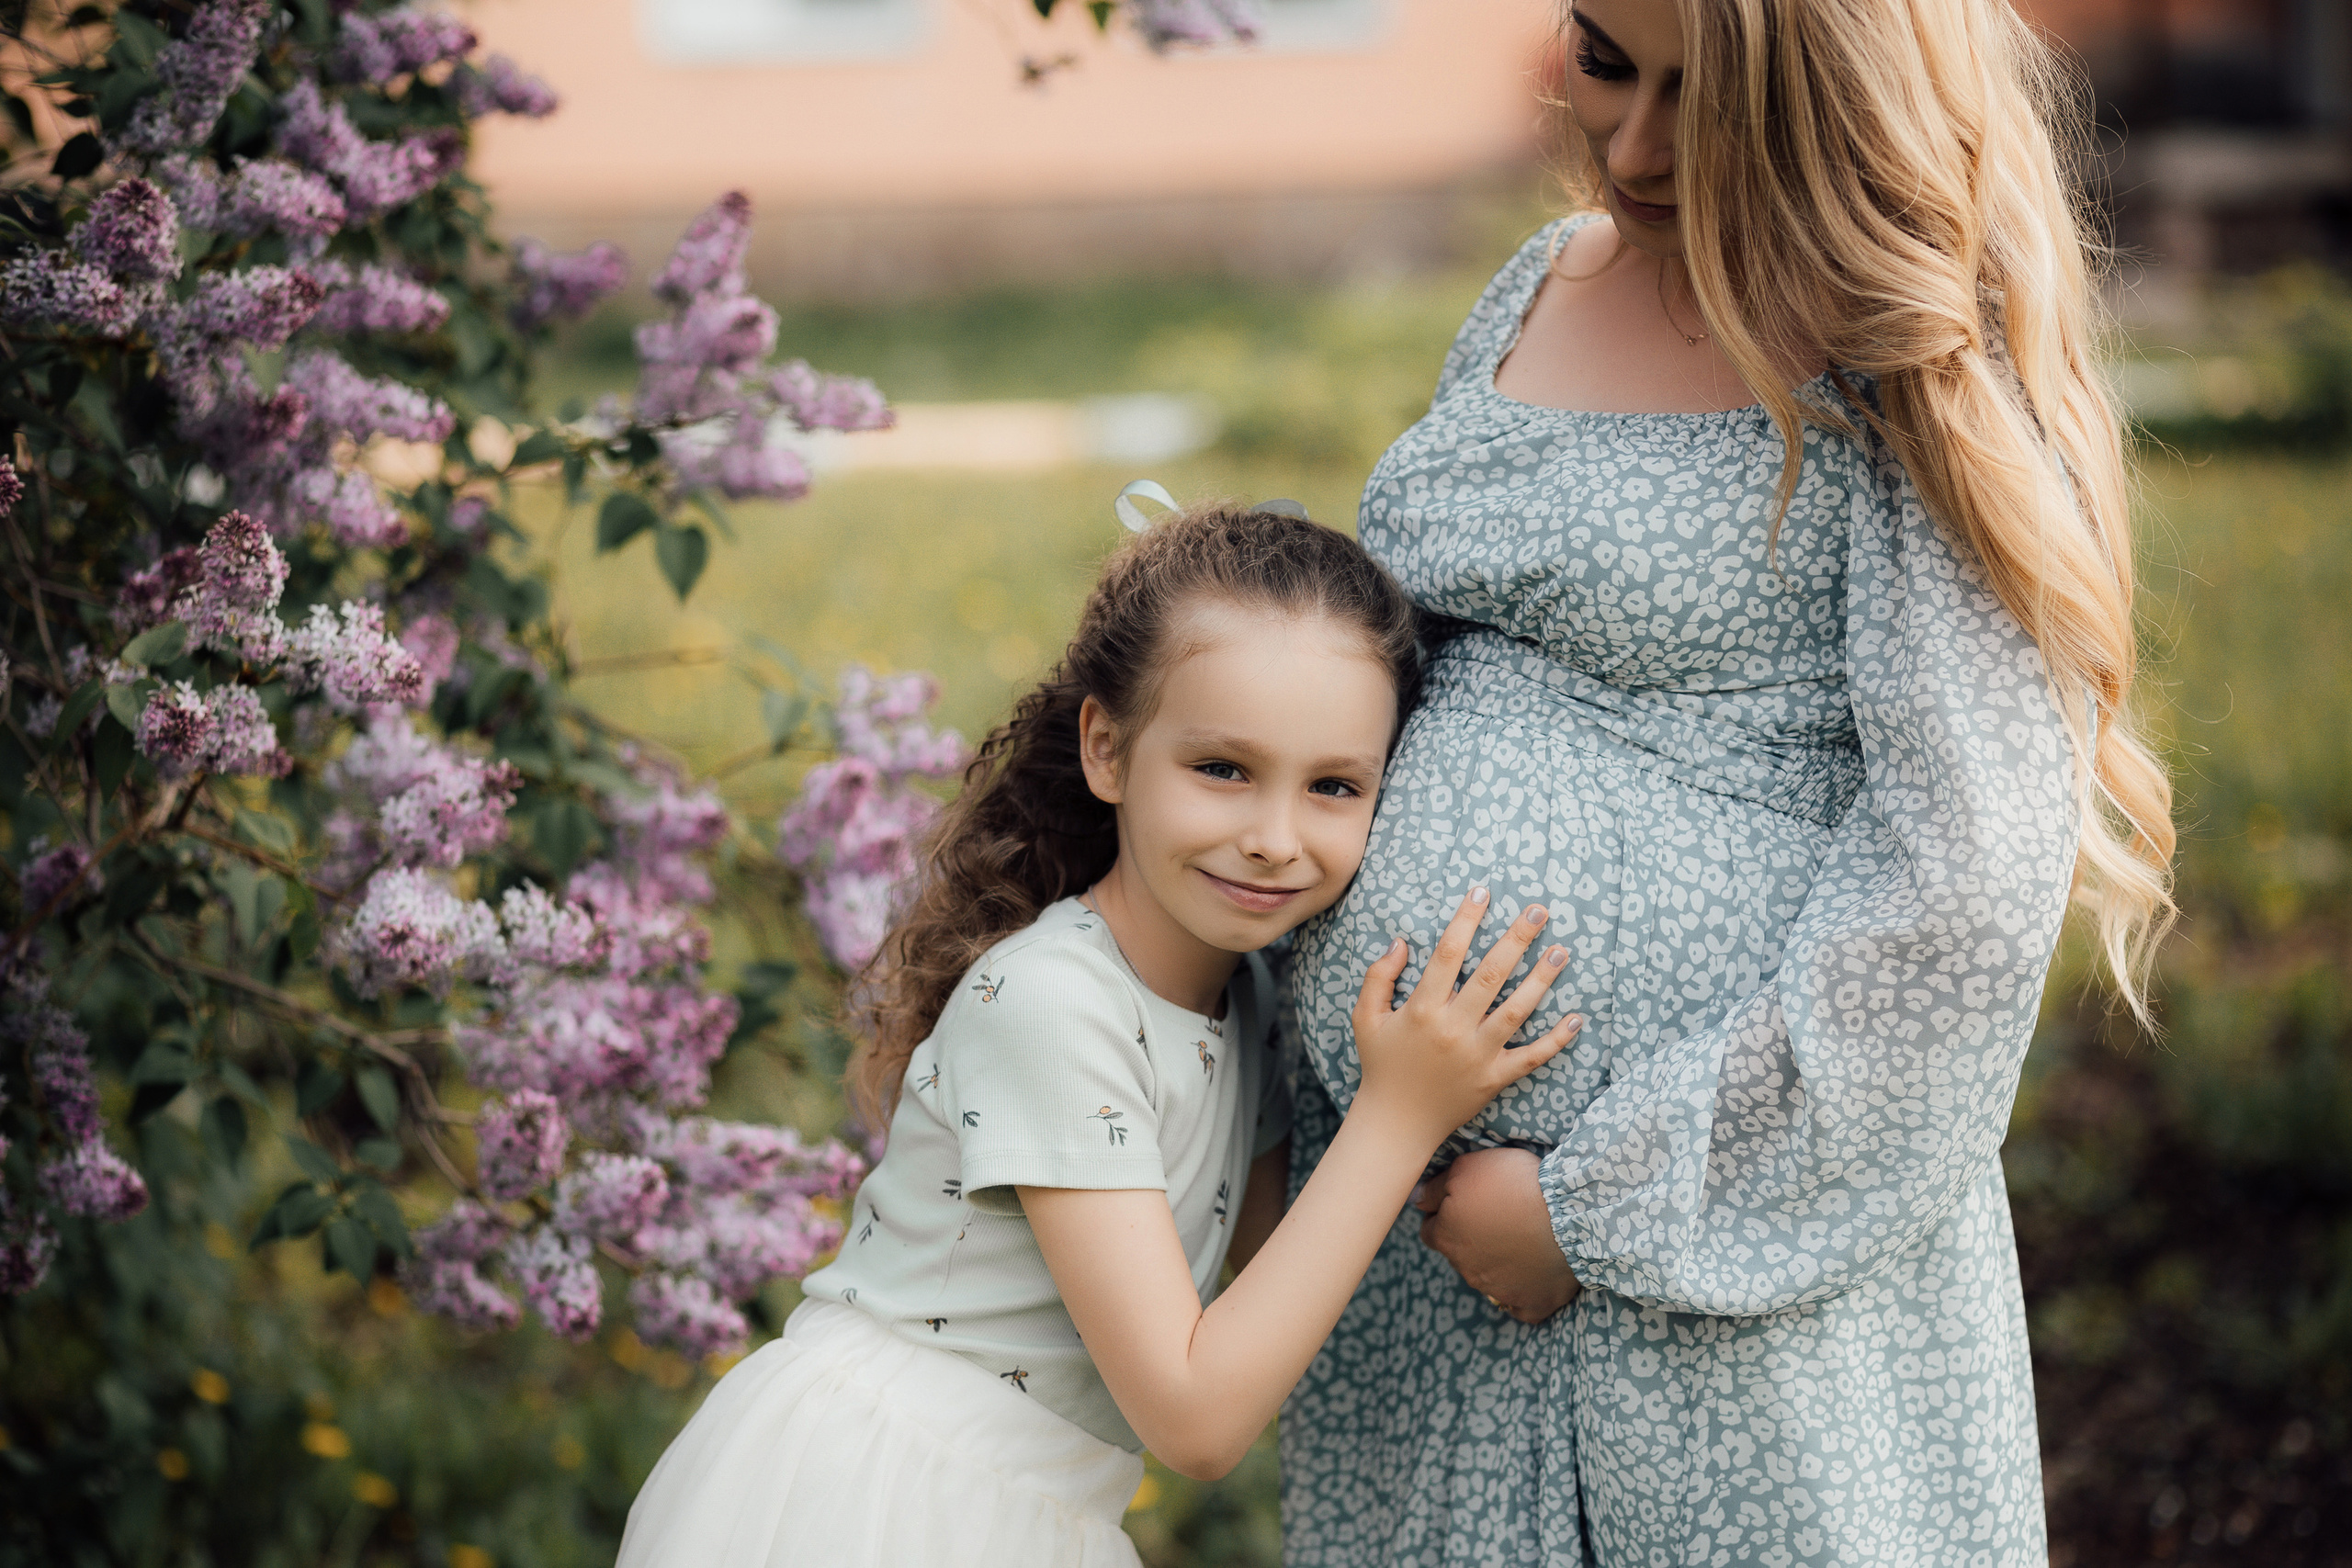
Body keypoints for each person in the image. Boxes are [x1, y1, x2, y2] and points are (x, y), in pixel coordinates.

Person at [1278, 0, 2177, 1564]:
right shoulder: (1538, 281)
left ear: (1835, 96)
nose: (1631, 148)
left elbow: (1961, 887)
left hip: (1732, 1264)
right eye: (1606, 63)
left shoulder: (1900, 349)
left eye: (1704, 99)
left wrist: (1593, 1210)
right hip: (1422, 1255)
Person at [615, 501, 1585, 1568]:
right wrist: (1399, 1116)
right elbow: (1197, 1418)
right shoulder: (1053, 1004)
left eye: (1333, 786)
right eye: (1223, 769)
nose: (1273, 838)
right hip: (875, 1496)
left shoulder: (1249, 1000)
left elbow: (1279, 1285)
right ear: (1107, 750)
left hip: (1032, 1512)